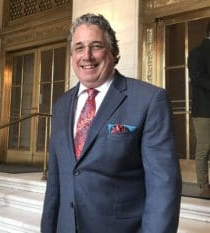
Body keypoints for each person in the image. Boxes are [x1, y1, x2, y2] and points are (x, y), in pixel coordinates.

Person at [41, 13, 182, 233]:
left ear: (114, 53)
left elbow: (163, 185)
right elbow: (55, 182)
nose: (86, 56)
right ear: (71, 56)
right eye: (79, 48)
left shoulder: (149, 100)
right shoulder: (61, 105)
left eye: (96, 46)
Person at [187, 21, 210, 198]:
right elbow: (197, 78)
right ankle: (203, 185)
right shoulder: (196, 52)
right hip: (204, 109)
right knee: (204, 148)